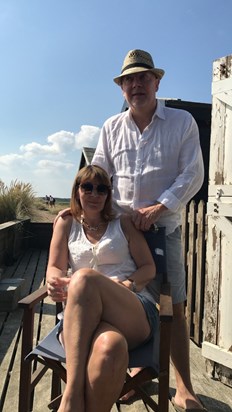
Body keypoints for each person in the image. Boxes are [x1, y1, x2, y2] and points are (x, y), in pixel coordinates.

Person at [91, 50, 206, 411]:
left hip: (163, 230)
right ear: (122, 88)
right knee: (126, 301)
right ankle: (133, 371)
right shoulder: (111, 127)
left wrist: (159, 207)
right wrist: (82, 209)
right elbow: (97, 172)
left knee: (174, 307)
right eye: (129, 79)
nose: (136, 84)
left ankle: (185, 387)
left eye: (143, 77)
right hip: (121, 234)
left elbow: (193, 174)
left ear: (157, 82)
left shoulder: (182, 121)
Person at [46, 165, 157, 412]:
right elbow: (53, 268)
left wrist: (128, 283)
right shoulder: (66, 223)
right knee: (110, 348)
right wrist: (54, 282)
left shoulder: (123, 223)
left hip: (130, 310)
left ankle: (71, 395)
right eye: (87, 187)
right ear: (77, 191)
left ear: (109, 194)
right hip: (83, 320)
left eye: (102, 189)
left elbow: (149, 268)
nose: (94, 194)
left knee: (84, 278)